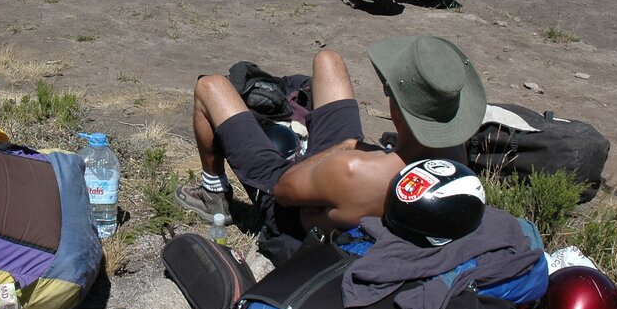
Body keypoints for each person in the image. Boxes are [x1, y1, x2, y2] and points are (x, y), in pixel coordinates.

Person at [173, 35, 487, 265]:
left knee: (210, 86)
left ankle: (214, 192)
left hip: (290, 196)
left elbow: (284, 189)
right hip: (341, 179)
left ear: (395, 101)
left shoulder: (352, 167)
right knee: (329, 60)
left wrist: (340, 150)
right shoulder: (454, 157)